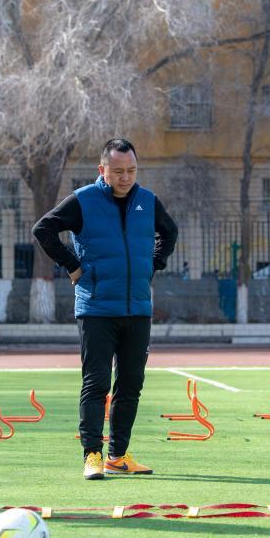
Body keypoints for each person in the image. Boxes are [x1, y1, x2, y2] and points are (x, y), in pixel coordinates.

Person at [32, 139, 178, 480]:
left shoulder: (147, 201)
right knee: (96, 383)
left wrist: (153, 264)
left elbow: (169, 232)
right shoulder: (84, 200)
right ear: (103, 170)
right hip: (96, 307)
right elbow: (43, 229)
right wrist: (72, 264)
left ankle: (119, 455)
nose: (125, 178)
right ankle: (93, 455)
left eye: (131, 171)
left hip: (138, 308)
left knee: (131, 383)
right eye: (118, 171)